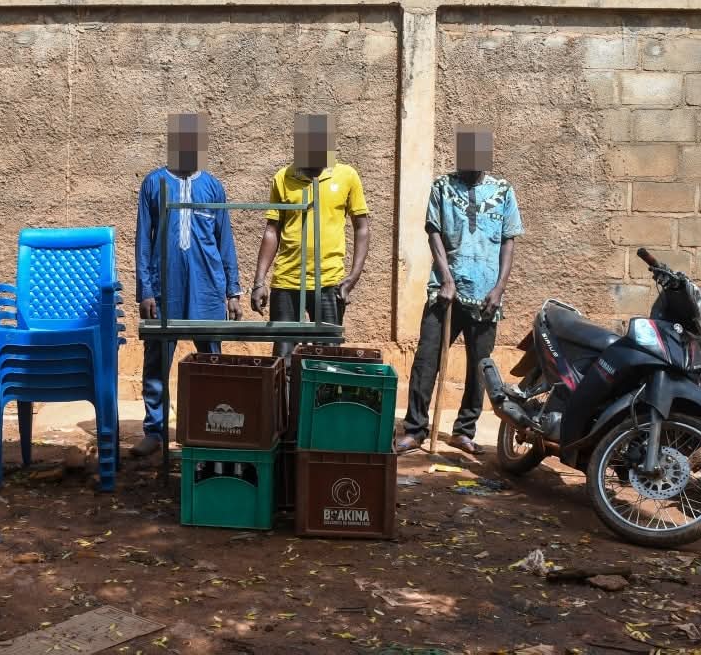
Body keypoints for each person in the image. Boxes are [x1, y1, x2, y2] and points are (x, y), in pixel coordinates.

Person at [396, 125, 522, 456]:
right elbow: (433, 233)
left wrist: (499, 288)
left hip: (485, 297)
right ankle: (415, 429)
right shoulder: (442, 186)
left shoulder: (504, 191)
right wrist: (447, 279)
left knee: (479, 366)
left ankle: (464, 430)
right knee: (426, 360)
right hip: (445, 293)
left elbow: (509, 242)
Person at [134, 112, 242, 457]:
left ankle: (210, 428)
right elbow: (143, 241)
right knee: (156, 362)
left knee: (211, 362)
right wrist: (146, 289)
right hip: (165, 289)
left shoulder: (213, 186)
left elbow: (225, 241)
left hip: (209, 289)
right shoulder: (154, 184)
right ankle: (154, 431)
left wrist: (232, 292)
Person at [251, 113, 370, 360]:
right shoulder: (283, 177)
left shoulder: (346, 176)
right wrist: (259, 281)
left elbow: (362, 227)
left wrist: (353, 277)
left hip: (328, 282)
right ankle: (284, 400)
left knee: (326, 358)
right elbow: (272, 230)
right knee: (283, 357)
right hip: (287, 281)